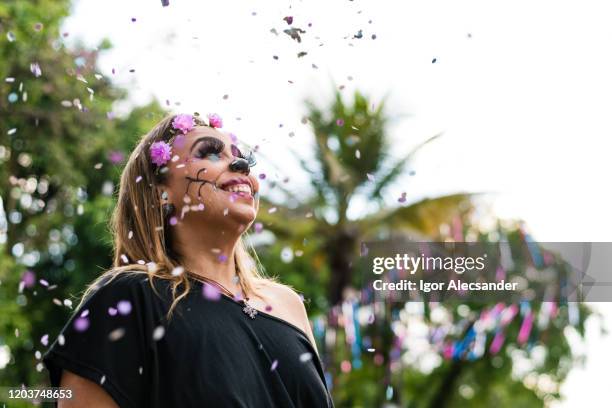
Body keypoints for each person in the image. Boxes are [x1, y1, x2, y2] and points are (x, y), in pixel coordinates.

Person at [42, 113, 335, 408]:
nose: (241, 165)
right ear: (160, 192)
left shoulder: (288, 305)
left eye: (243, 157)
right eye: (209, 153)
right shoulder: (130, 297)